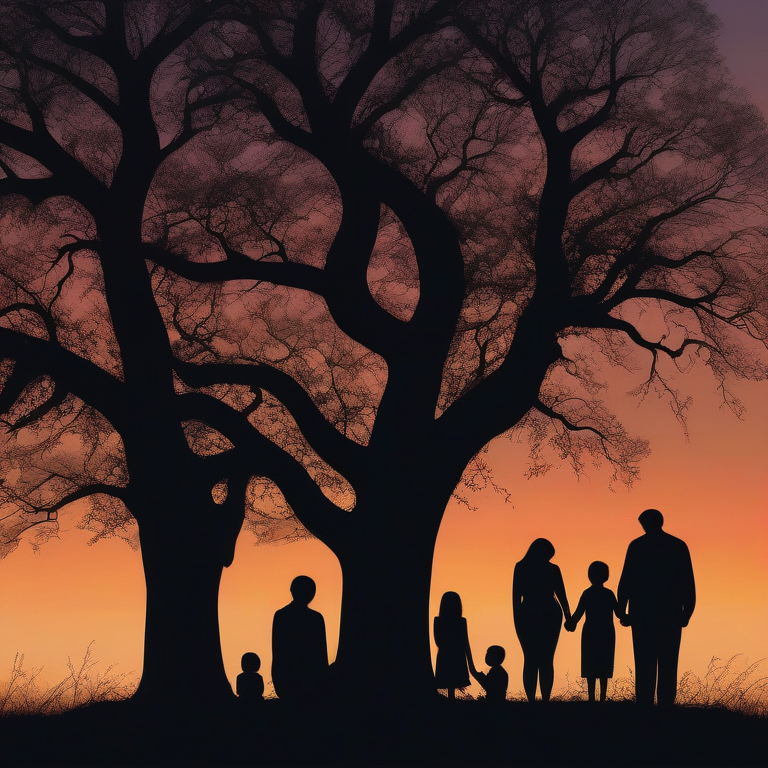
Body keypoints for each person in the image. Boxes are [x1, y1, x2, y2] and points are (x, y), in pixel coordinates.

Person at [617, 509, 696, 707]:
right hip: (670, 613)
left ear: (645, 523)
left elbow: (626, 580)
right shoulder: (677, 545)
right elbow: (688, 582)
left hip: (643, 613)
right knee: (669, 661)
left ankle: (644, 704)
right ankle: (666, 706)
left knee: (644, 661)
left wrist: (622, 611)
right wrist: (687, 611)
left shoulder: (637, 546)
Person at [513, 538, 571, 702]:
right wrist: (568, 617)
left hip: (531, 613)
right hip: (547, 613)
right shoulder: (551, 569)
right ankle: (542, 699)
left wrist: (518, 619)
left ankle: (535, 699)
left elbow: (516, 600)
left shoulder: (521, 567)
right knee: (543, 658)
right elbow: (562, 597)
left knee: (533, 658)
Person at [565, 561, 626, 703]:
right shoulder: (609, 594)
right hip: (606, 632)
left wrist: (570, 622)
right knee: (604, 664)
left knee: (591, 664)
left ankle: (591, 698)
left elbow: (578, 614)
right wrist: (629, 617)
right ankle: (602, 697)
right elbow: (619, 613)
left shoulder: (587, 593)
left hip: (591, 632)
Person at [271, 575, 329, 703]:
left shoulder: (281, 616)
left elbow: (278, 652)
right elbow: (321, 655)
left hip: (290, 679)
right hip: (309, 680)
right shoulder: (316, 618)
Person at [433, 591, 475, 700]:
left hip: (446, 654)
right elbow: (465, 642)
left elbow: (438, 641)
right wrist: (470, 663)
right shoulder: (460, 621)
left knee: (449, 682)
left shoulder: (438, 621)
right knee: (452, 682)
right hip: (456, 654)